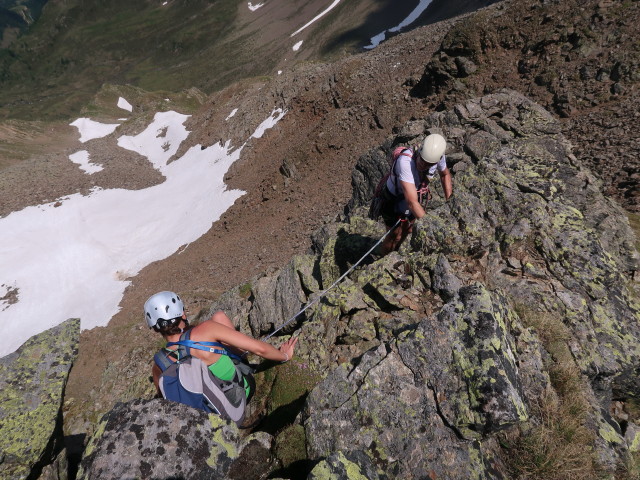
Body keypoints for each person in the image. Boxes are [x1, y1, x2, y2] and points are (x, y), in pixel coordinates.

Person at [145, 291, 298, 396]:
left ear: (154, 328)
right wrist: (284, 355)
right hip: (240, 394)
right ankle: (241, 356)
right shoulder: (205, 330)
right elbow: (260, 349)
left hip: (212, 412)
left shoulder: (159, 363)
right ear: (182, 314)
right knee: (219, 317)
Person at [378, 133, 453, 255]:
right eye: (422, 160)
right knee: (394, 234)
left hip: (413, 195)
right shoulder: (405, 162)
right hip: (393, 198)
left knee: (409, 229)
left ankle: (394, 252)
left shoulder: (437, 157)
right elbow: (412, 202)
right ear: (420, 151)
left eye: (429, 164)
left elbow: (445, 175)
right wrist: (431, 227)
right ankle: (383, 259)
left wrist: (450, 202)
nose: (423, 165)